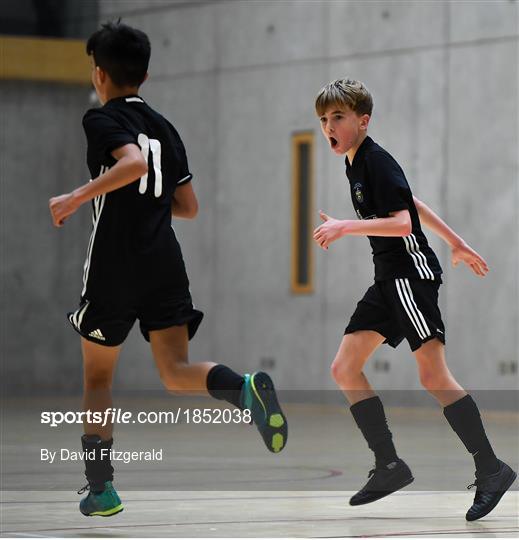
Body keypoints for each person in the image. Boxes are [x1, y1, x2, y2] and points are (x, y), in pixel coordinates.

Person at [49, 21, 287, 517]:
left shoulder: (100, 120)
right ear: (146, 75)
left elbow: (133, 165)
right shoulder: (165, 125)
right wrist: (150, 206)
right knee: (176, 373)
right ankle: (243, 390)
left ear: (99, 74)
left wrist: (77, 196)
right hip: (163, 261)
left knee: (97, 379)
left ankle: (102, 488)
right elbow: (188, 204)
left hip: (114, 265)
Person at [312, 78, 516, 521]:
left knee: (433, 376)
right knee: (344, 368)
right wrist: (458, 242)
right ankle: (389, 464)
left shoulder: (376, 161)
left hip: (410, 277)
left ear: (363, 121)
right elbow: (414, 202)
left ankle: (491, 468)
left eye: (338, 117)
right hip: (387, 279)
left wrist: (347, 226)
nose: (329, 125)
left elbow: (403, 223)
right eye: (324, 119)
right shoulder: (356, 161)